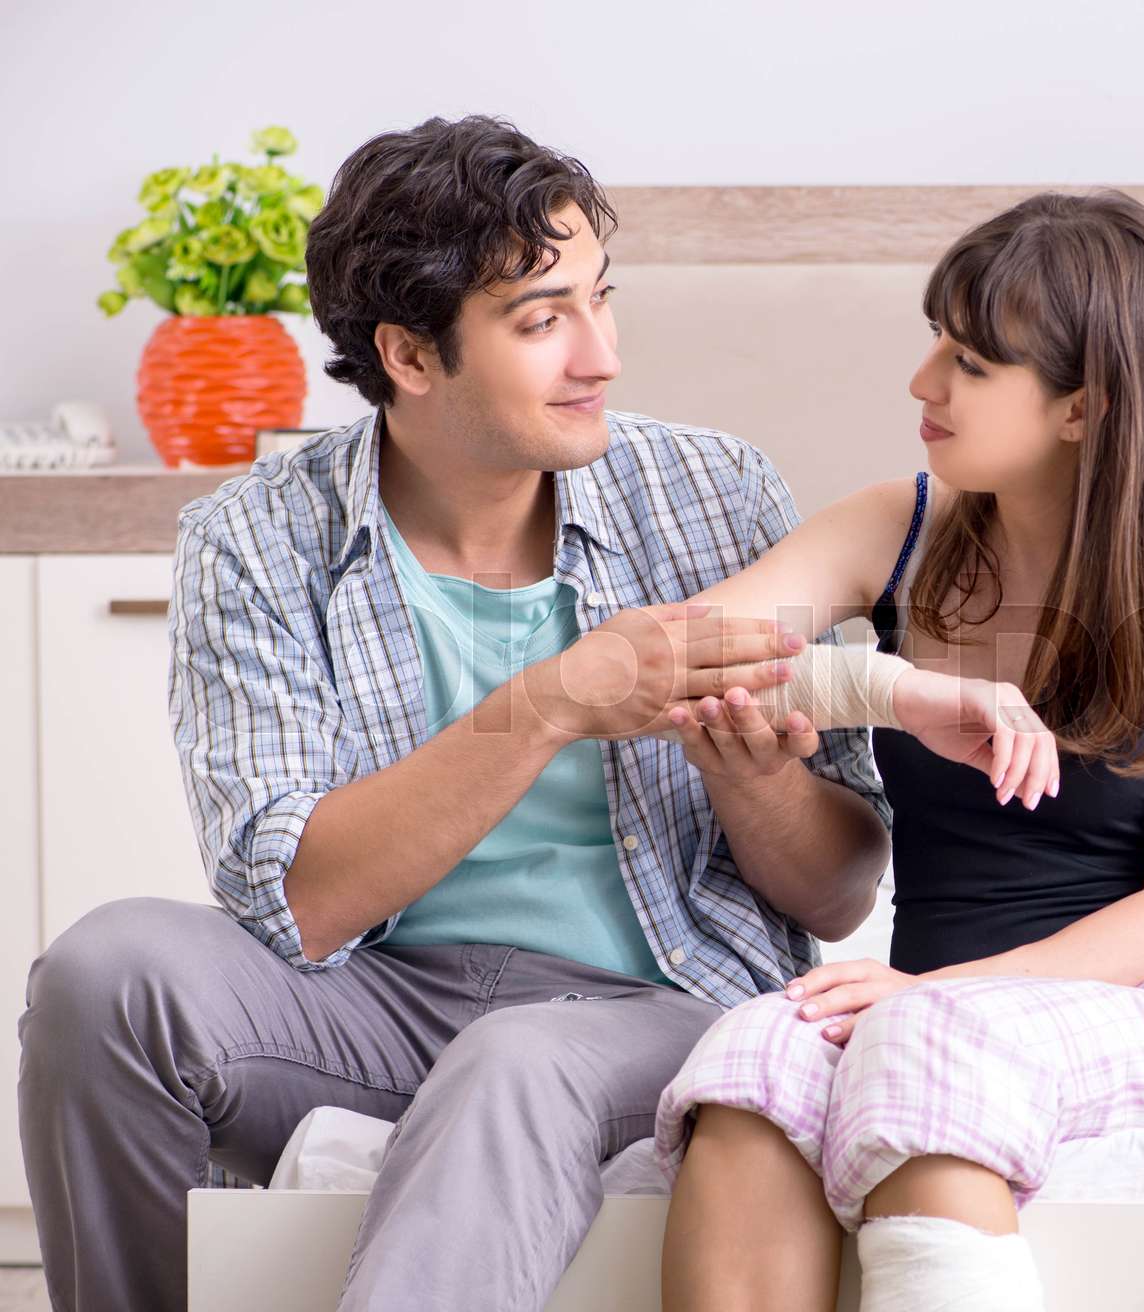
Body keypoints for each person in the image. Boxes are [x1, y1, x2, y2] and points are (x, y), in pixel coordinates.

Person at [16, 114, 906, 1311]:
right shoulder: (257, 537)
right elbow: (296, 900)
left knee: (516, 1055)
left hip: (658, 1005)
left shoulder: (714, 490)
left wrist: (751, 778)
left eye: (602, 299)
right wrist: (545, 704)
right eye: (542, 321)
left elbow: (840, 893)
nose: (600, 356)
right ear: (410, 355)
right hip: (369, 1001)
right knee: (102, 973)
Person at [653, 190, 1144, 1312]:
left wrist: (924, 991)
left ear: (1083, 408)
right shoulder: (898, 528)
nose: (922, 382)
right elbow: (672, 660)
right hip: (928, 1006)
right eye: (934, 341)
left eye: (970, 361)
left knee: (924, 1047)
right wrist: (895, 687)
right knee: (753, 1056)